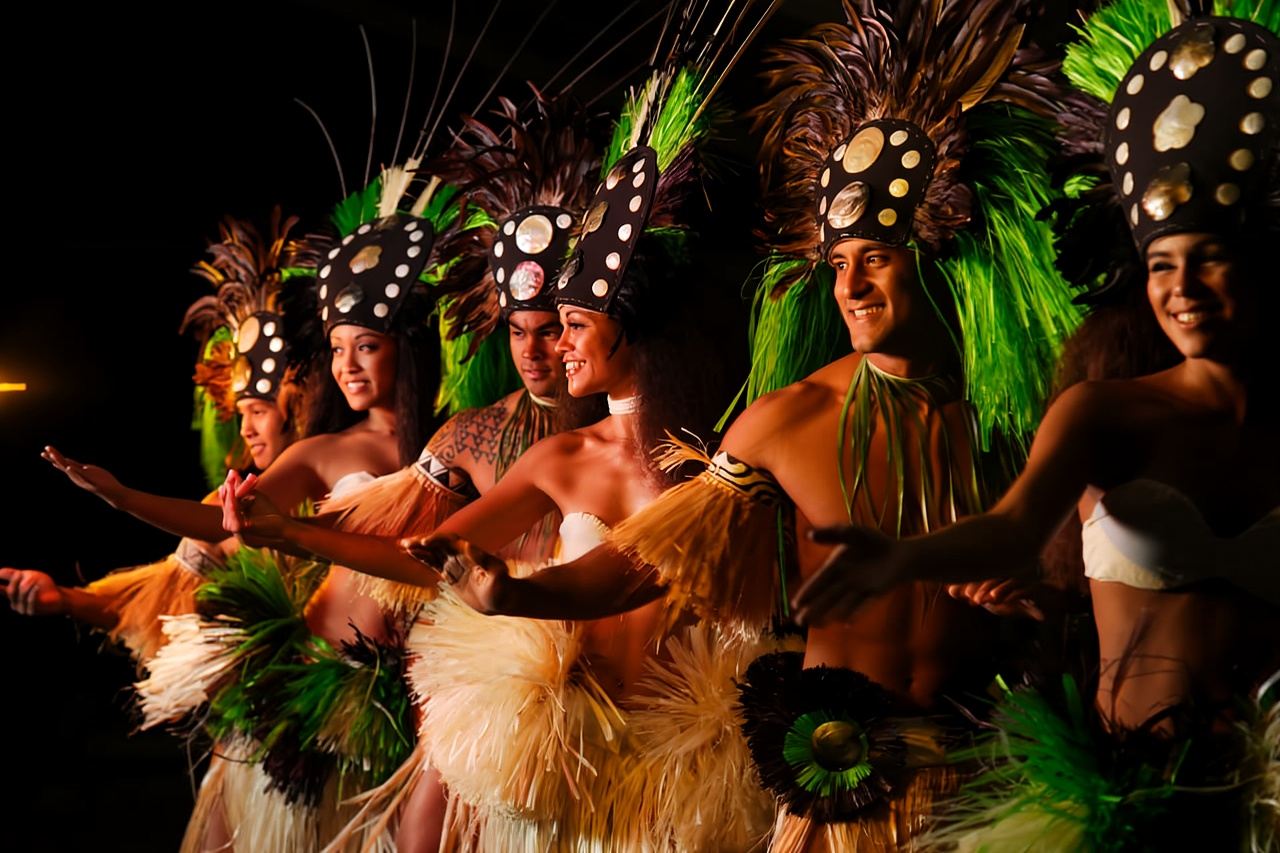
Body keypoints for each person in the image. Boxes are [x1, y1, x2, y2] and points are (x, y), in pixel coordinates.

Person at [426, 2, 1080, 850]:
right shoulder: (785, 421)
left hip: (982, 775)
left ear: (931, 253)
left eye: (873, 260)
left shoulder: (1011, 415)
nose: (851, 287)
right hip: (833, 785)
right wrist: (517, 594)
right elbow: (642, 568)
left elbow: (1085, 591)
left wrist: (1037, 600)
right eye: (838, 265)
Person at [789, 2, 1280, 848]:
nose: (1183, 286)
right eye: (1162, 263)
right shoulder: (1111, 411)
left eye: (1210, 259)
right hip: (1128, 802)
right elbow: (1015, 526)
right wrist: (903, 556)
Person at [0, 211, 307, 664]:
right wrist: (66, 599)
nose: (245, 429)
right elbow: (160, 601)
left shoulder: (341, 475)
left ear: (297, 407)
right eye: (241, 413)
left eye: (259, 411)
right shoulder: (226, 505)